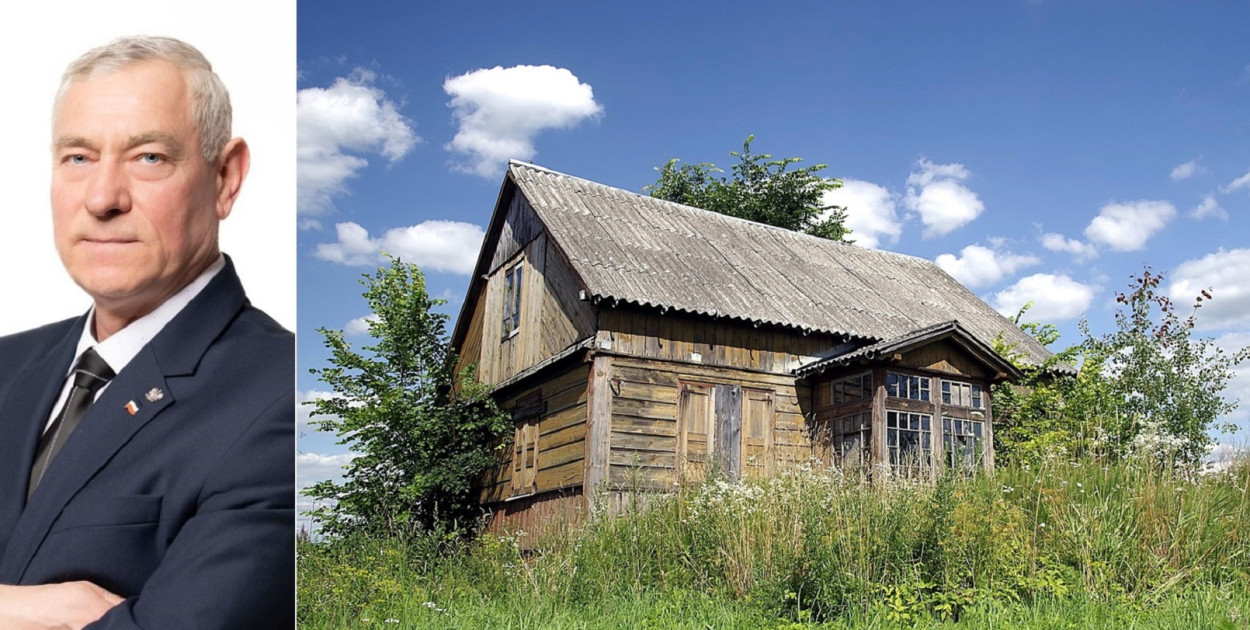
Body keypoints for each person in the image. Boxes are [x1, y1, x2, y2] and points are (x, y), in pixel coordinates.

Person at [0, 36, 293, 629]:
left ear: (225, 178)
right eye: (78, 157)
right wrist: (38, 611)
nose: (103, 198)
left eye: (148, 157)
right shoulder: (8, 364)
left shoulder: (282, 398)